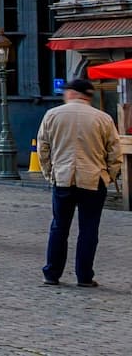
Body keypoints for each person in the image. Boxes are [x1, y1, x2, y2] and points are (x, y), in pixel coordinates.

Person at [39, 76, 122, 287]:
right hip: (93, 179)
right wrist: (109, 175)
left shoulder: (52, 115)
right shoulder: (102, 118)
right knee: (89, 229)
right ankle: (84, 276)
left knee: (59, 227)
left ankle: (52, 273)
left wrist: (50, 173)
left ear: (72, 93)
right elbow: (114, 151)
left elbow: (43, 149)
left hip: (63, 178)